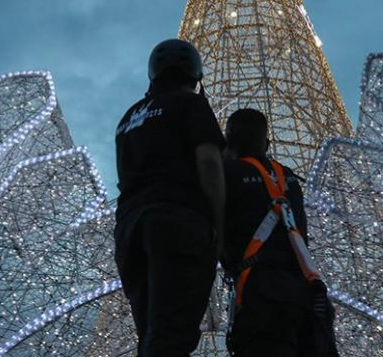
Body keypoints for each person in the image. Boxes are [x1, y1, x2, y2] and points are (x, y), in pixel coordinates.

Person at [113, 38, 227, 357]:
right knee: (172, 335)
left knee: (150, 334)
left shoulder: (128, 117)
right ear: (195, 75)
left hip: (129, 230)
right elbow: (208, 161)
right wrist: (219, 223)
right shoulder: (189, 103)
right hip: (177, 220)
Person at [221, 108, 339, 357]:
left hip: (262, 296)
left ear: (229, 141)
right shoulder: (289, 178)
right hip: (309, 295)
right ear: (266, 142)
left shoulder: (227, 174)